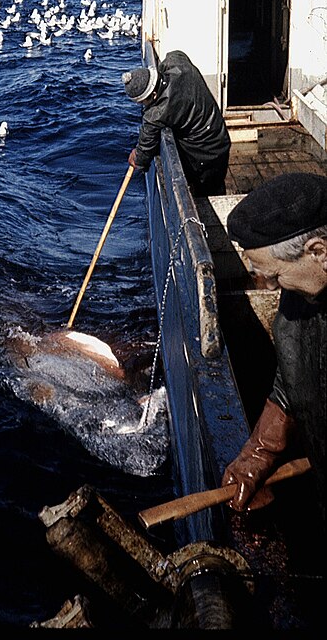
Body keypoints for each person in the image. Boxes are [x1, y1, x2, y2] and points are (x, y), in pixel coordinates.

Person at [222, 172, 327, 527]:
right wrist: (259, 453)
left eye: (275, 276)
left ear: (318, 252)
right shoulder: (300, 301)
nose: (267, 288)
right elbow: (291, 379)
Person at [122, 50, 231, 196]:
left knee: (207, 192)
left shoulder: (156, 114)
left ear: (153, 95)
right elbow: (176, 54)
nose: (144, 106)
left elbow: (144, 153)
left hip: (204, 153)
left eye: (143, 102)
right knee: (217, 183)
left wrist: (137, 157)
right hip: (220, 136)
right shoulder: (178, 63)